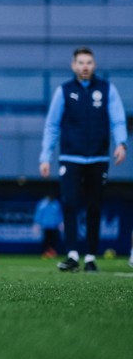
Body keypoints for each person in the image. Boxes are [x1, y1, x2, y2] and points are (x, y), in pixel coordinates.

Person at [40, 47, 127, 273]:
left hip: (98, 158)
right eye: (80, 62)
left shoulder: (107, 89)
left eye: (89, 62)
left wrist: (121, 143)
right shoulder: (64, 91)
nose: (85, 66)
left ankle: (90, 257)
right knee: (69, 204)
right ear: (73, 66)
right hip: (70, 158)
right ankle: (71, 255)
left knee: (94, 207)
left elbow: (118, 119)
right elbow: (52, 125)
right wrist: (45, 156)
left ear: (94, 65)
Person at [32, 194, 63, 259]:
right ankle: (45, 253)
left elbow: (59, 214)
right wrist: (37, 223)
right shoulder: (43, 203)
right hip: (45, 225)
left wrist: (60, 222)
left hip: (54, 225)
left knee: (54, 240)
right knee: (46, 240)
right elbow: (39, 213)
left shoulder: (56, 203)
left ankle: (52, 253)